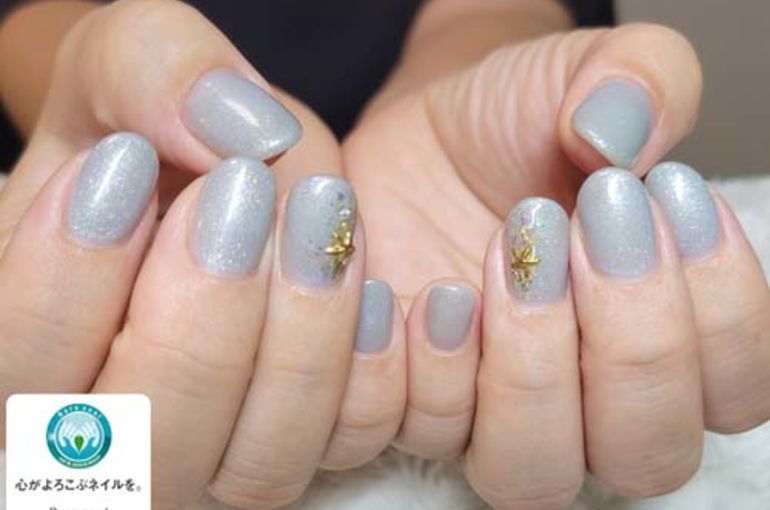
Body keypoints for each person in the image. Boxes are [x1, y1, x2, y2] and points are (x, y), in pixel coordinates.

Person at [0, 1, 768, 510]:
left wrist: (455, 102)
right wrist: (88, 75)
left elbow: (495, 9)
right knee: (66, 464)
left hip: (432, 180)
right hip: (139, 182)